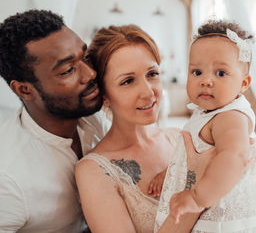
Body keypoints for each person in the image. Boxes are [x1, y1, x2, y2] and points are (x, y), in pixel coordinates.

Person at [75, 24, 215, 233]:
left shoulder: (180, 137)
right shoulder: (94, 171)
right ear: (104, 95)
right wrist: (201, 188)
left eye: (152, 74)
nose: (149, 93)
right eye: (128, 81)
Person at [154, 20, 256, 232]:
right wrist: (171, 174)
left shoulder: (230, 116)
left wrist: (198, 198)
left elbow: (235, 156)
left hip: (224, 203)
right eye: (197, 72)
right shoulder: (207, 113)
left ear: (243, 84)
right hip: (211, 189)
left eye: (221, 73)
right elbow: (192, 154)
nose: (206, 80)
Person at [0, 9, 107, 232]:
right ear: (24, 89)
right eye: (68, 70)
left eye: (85, 56)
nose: (89, 74)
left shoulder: (96, 117)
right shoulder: (8, 179)